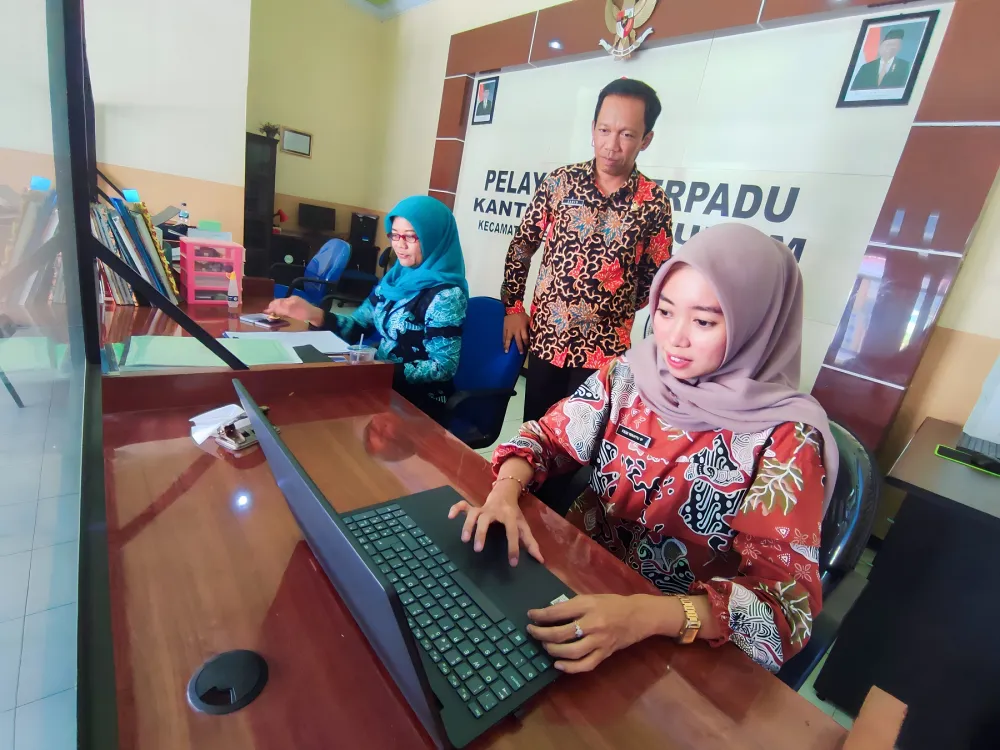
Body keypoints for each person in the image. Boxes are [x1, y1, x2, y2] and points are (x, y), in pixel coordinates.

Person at [450, 223, 839, 674]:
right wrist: (505, 490)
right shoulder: (631, 376)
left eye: (704, 321)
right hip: (577, 585)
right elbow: (545, 436)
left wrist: (643, 616)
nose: (674, 338)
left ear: (758, 324)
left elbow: (784, 611)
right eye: (666, 312)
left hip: (676, 646)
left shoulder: (786, 437)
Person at [502, 78, 673, 425]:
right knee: (535, 433)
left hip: (604, 353)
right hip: (548, 337)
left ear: (646, 140)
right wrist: (513, 306)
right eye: (605, 130)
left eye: (626, 134)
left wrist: (611, 306)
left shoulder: (654, 203)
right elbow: (523, 245)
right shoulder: (560, 183)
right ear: (593, 129)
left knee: (579, 447)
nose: (611, 145)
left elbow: (654, 280)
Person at [266, 195, 468, 420]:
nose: (400, 244)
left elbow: (443, 367)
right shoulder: (395, 279)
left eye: (411, 237)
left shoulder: (446, 296)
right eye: (395, 234)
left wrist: (380, 369)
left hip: (414, 400)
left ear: (433, 237)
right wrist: (314, 314)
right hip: (378, 382)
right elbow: (358, 326)